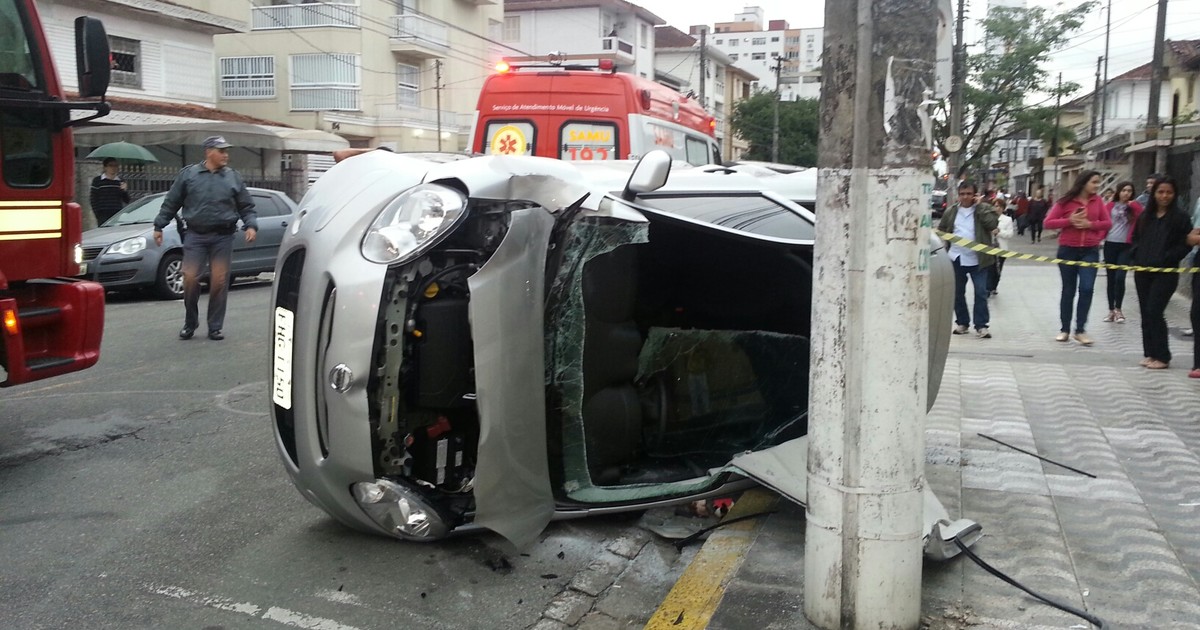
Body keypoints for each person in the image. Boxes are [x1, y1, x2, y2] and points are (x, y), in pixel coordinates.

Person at [152, 136, 257, 341]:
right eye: (221, 150)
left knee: (219, 281)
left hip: (223, 236)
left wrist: (251, 225)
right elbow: (171, 202)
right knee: (190, 278)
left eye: (227, 151)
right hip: (195, 235)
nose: (226, 155)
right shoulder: (189, 175)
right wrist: (159, 225)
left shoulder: (233, 177)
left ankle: (215, 326)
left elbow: (246, 206)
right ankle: (190, 323)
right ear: (209, 152)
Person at [1129, 176, 1193, 370]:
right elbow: (1134, 239)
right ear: (1154, 193)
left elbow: (1186, 244)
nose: (1164, 196)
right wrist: (1136, 256)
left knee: (1154, 311)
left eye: (1169, 192)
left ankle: (1162, 356)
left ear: (1174, 195)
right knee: (1145, 313)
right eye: (1160, 192)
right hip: (1143, 271)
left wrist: (1168, 257)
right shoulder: (1144, 216)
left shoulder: (1181, 218)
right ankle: (1150, 353)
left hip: (1165, 273)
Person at [1043, 170, 1111, 346]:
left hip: (1090, 251)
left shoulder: (1098, 202)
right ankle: (1064, 329)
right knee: (1068, 290)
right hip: (1068, 250)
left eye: (1098, 182)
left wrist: (1091, 225)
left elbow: (1107, 223)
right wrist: (1069, 221)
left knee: (1087, 288)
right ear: (1083, 183)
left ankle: (1080, 330)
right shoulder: (1065, 201)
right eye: (1094, 182)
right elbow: (1048, 222)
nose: (1097, 186)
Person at [938, 180, 998, 339]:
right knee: (958, 292)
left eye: (969, 194)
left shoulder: (984, 209)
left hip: (979, 259)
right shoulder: (951, 211)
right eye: (962, 194)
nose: (965, 197)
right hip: (956, 257)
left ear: (975, 195)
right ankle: (962, 322)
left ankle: (981, 325)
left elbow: (992, 224)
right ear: (958, 195)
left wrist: (980, 207)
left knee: (981, 292)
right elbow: (942, 229)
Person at [1101, 181, 1143, 324]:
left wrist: (1134, 204)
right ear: (1118, 191)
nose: (1126, 193)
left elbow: (1143, 215)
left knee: (1120, 277)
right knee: (1111, 278)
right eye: (1124, 190)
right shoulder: (1110, 206)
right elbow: (1103, 221)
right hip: (1110, 244)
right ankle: (1111, 310)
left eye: (1129, 191)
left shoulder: (1133, 207)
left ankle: (1119, 309)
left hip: (1126, 246)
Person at [89, 157, 130, 226]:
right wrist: (97, 213)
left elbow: (126, 200)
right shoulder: (97, 180)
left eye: (116, 165)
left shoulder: (120, 181)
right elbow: (93, 198)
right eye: (111, 165)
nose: (113, 168)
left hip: (117, 212)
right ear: (105, 167)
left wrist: (124, 190)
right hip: (103, 213)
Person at [987, 205, 1015, 297]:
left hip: (1001, 248)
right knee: (989, 268)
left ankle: (994, 286)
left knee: (998, 269)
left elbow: (1010, 234)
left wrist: (999, 232)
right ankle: (988, 288)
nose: (997, 208)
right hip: (989, 248)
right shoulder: (988, 218)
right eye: (995, 205)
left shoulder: (1007, 219)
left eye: (999, 206)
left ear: (1003, 208)